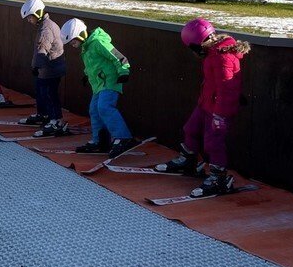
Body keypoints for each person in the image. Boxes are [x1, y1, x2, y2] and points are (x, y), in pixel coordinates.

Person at [156, 18, 250, 197]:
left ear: (198, 43)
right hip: (206, 104)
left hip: (218, 111)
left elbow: (227, 87)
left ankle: (219, 178)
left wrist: (220, 115)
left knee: (213, 143)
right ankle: (188, 160)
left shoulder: (222, 57)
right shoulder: (213, 53)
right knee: (190, 129)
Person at [61, 18, 137, 157]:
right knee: (94, 110)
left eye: (72, 41)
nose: (72, 44)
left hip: (110, 80)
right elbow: (92, 65)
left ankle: (124, 138)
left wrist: (124, 71)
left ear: (80, 34)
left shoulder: (97, 42)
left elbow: (118, 57)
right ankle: (100, 140)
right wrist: (86, 75)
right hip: (98, 84)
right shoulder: (86, 47)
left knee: (104, 107)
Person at [18, 0, 68, 137]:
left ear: (38, 13)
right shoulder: (43, 25)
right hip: (46, 68)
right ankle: (43, 115)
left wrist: (36, 66)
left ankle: (56, 120)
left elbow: (42, 48)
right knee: (41, 91)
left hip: (51, 68)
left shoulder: (46, 28)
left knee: (50, 94)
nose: (29, 20)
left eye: (30, 17)